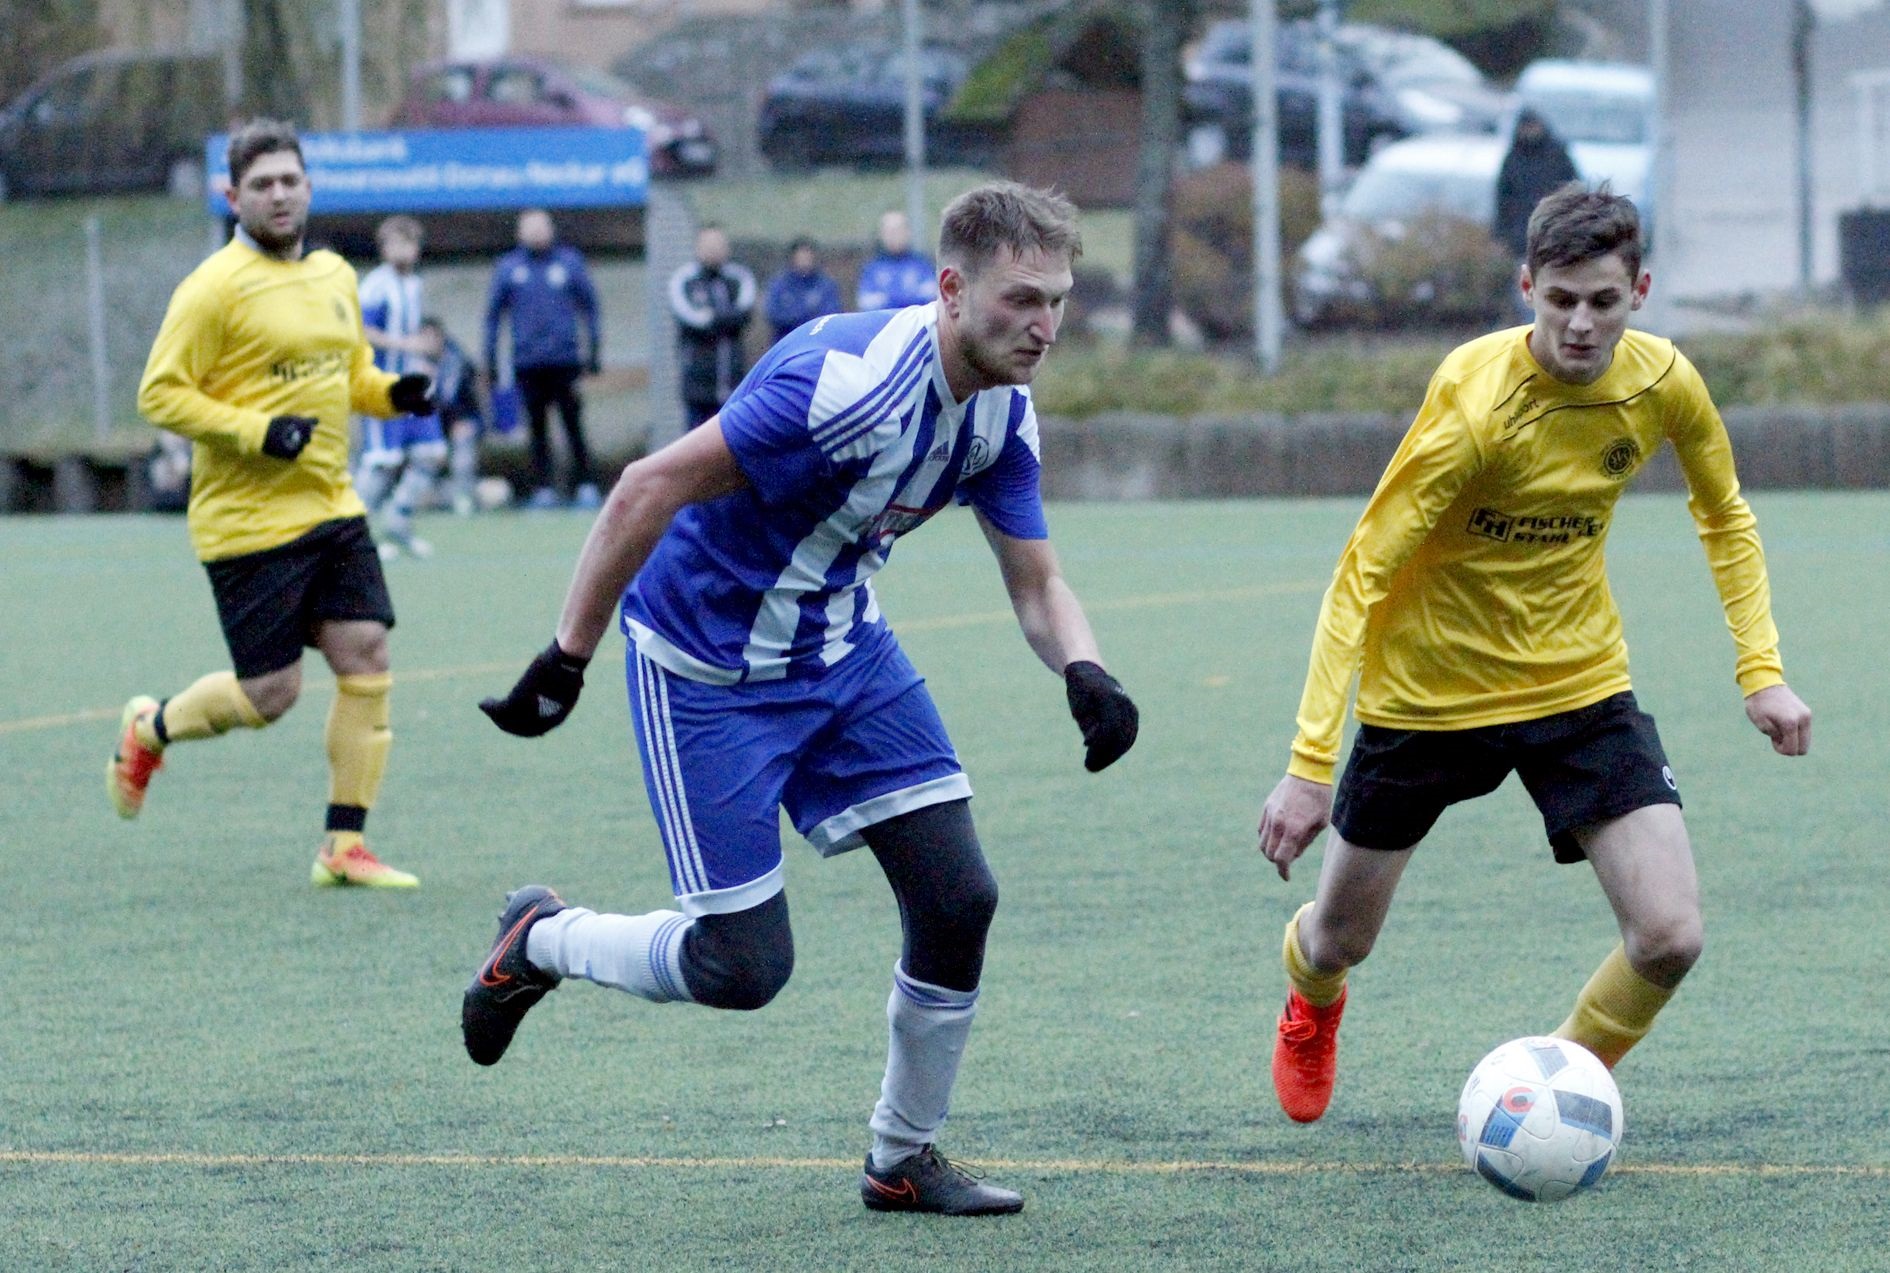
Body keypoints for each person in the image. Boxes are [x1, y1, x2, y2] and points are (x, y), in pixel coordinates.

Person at [464, 181, 1140, 1216]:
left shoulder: (1001, 411)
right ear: (952, 290)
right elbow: (647, 484)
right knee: (742, 965)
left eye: (1057, 299)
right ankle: (542, 939)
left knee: (960, 899)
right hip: (707, 670)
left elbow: (1038, 582)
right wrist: (567, 657)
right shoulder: (846, 383)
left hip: (842, 651)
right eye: (1020, 300)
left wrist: (1087, 671)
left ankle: (901, 1157)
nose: (1044, 326)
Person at [1255, 184, 1813, 1125]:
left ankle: (1556, 1089)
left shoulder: (1665, 382)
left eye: (1603, 301)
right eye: (1560, 301)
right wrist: (1309, 766)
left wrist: (1760, 669)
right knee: (1341, 936)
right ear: (1527, 288)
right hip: (1428, 697)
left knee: (1670, 935)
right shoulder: (1475, 404)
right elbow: (1361, 573)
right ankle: (1311, 999)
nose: (1581, 325)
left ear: (1639, 289)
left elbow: (1724, 514)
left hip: (1578, 685)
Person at [115, 118, 434, 889]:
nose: (279, 193)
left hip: (332, 506)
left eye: (290, 179)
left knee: (367, 652)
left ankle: (343, 846)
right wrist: (257, 431)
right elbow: (159, 393)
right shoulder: (212, 289)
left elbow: (348, 373)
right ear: (233, 196)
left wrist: (392, 395)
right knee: (271, 695)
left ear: (309, 188)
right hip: (247, 524)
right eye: (262, 184)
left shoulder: (334, 276)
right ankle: (150, 726)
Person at [485, 208, 602, 509]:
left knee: (573, 425)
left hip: (565, 361)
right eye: (530, 227)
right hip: (527, 362)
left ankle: (585, 486)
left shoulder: (569, 262)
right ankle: (543, 489)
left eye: (541, 227)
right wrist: (491, 360)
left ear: (551, 229)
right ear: (520, 232)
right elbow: (493, 316)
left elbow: (590, 307)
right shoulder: (509, 267)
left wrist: (594, 350)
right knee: (537, 429)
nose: (536, 233)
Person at [355, 215, 446, 559]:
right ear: (383, 248)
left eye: (408, 243)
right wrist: (409, 347)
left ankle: (398, 520)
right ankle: (356, 540)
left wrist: (422, 359)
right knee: (382, 463)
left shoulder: (414, 285)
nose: (402, 250)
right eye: (394, 243)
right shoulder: (376, 285)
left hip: (412, 386)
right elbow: (363, 332)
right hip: (382, 387)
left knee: (432, 453)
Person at [667, 223, 757, 429]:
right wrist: (724, 318)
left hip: (734, 385)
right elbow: (691, 319)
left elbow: (743, 315)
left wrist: (715, 317)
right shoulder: (685, 280)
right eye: (708, 244)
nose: (714, 249)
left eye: (718, 244)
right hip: (698, 387)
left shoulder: (738, 278)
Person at [1494, 108, 1580, 318]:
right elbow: (1503, 199)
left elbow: (1573, 192)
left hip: (1556, 234)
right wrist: (1501, 233)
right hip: (1522, 235)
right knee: (1526, 284)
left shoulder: (1557, 155)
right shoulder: (1513, 158)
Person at [764, 235, 843, 345]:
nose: (805, 260)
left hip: (816, 344)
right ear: (793, 257)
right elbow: (773, 313)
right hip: (785, 343)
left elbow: (831, 314)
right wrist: (804, 315)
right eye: (801, 255)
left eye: (808, 255)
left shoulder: (825, 284)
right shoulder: (780, 284)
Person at [856, 209, 937, 311]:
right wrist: (909, 298)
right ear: (881, 234)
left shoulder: (922, 265)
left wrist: (888, 299)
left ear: (908, 232)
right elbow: (866, 302)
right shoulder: (872, 269)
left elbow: (931, 296)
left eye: (898, 230)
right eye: (889, 231)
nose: (893, 236)